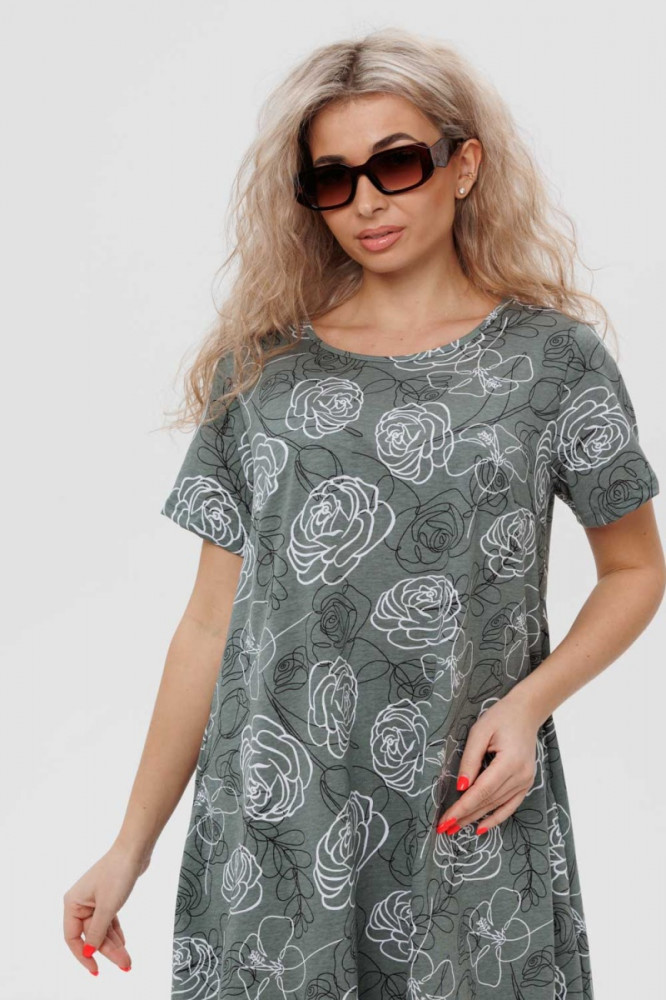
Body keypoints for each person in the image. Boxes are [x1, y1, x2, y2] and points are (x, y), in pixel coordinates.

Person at [63, 27, 664, 999]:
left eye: (396, 162)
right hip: (275, 826)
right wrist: (127, 847)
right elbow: (209, 625)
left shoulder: (553, 362)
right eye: (332, 179)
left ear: (463, 164)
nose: (368, 201)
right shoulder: (262, 371)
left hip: (461, 807)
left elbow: (635, 568)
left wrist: (528, 704)